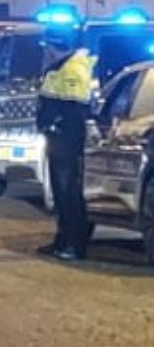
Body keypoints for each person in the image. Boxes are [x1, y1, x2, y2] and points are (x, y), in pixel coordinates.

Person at [35, 28, 95, 261]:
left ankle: (74, 244)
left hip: (66, 141)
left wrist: (57, 127)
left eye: (47, 47)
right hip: (59, 139)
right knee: (61, 193)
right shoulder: (62, 67)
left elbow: (74, 109)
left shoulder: (73, 69)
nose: (46, 52)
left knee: (69, 193)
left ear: (54, 46)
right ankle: (63, 240)